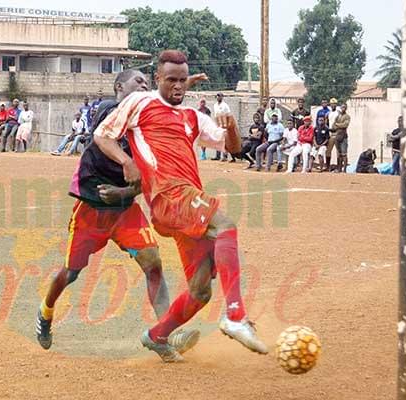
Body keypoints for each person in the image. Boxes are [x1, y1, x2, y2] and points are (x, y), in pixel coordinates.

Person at [93, 49, 268, 362]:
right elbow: (102, 136)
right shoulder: (140, 103)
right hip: (168, 196)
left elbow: (235, 148)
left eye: (182, 80)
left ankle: (156, 336)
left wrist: (229, 125)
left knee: (200, 291)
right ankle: (236, 315)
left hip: (185, 204)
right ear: (157, 79)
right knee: (225, 225)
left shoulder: (192, 117)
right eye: (170, 79)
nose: (177, 86)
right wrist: (127, 161)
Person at [36, 69, 199, 354]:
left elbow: (149, 179)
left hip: (125, 211)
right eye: (139, 82)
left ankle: (162, 334)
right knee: (71, 273)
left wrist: (124, 192)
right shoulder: (107, 110)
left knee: (153, 264)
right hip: (91, 211)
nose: (144, 87)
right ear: (118, 86)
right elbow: (108, 135)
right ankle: (45, 313)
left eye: (148, 84)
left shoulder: (147, 131)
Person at [213, 93, 232, 161]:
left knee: (224, 140)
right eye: (217, 96)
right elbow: (216, 116)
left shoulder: (225, 105)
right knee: (218, 139)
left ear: (222, 97)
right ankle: (217, 156)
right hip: (218, 124)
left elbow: (229, 115)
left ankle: (225, 156)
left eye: (220, 96)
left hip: (224, 124)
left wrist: (227, 124)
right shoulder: (215, 105)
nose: (218, 97)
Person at [333, 104, 351, 173]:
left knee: (344, 153)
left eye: (344, 107)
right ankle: (339, 168)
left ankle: (345, 169)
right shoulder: (338, 116)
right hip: (337, 135)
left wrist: (338, 125)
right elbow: (333, 126)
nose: (343, 108)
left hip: (343, 136)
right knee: (339, 153)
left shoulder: (347, 116)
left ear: (346, 108)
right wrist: (338, 125)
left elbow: (345, 125)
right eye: (342, 107)